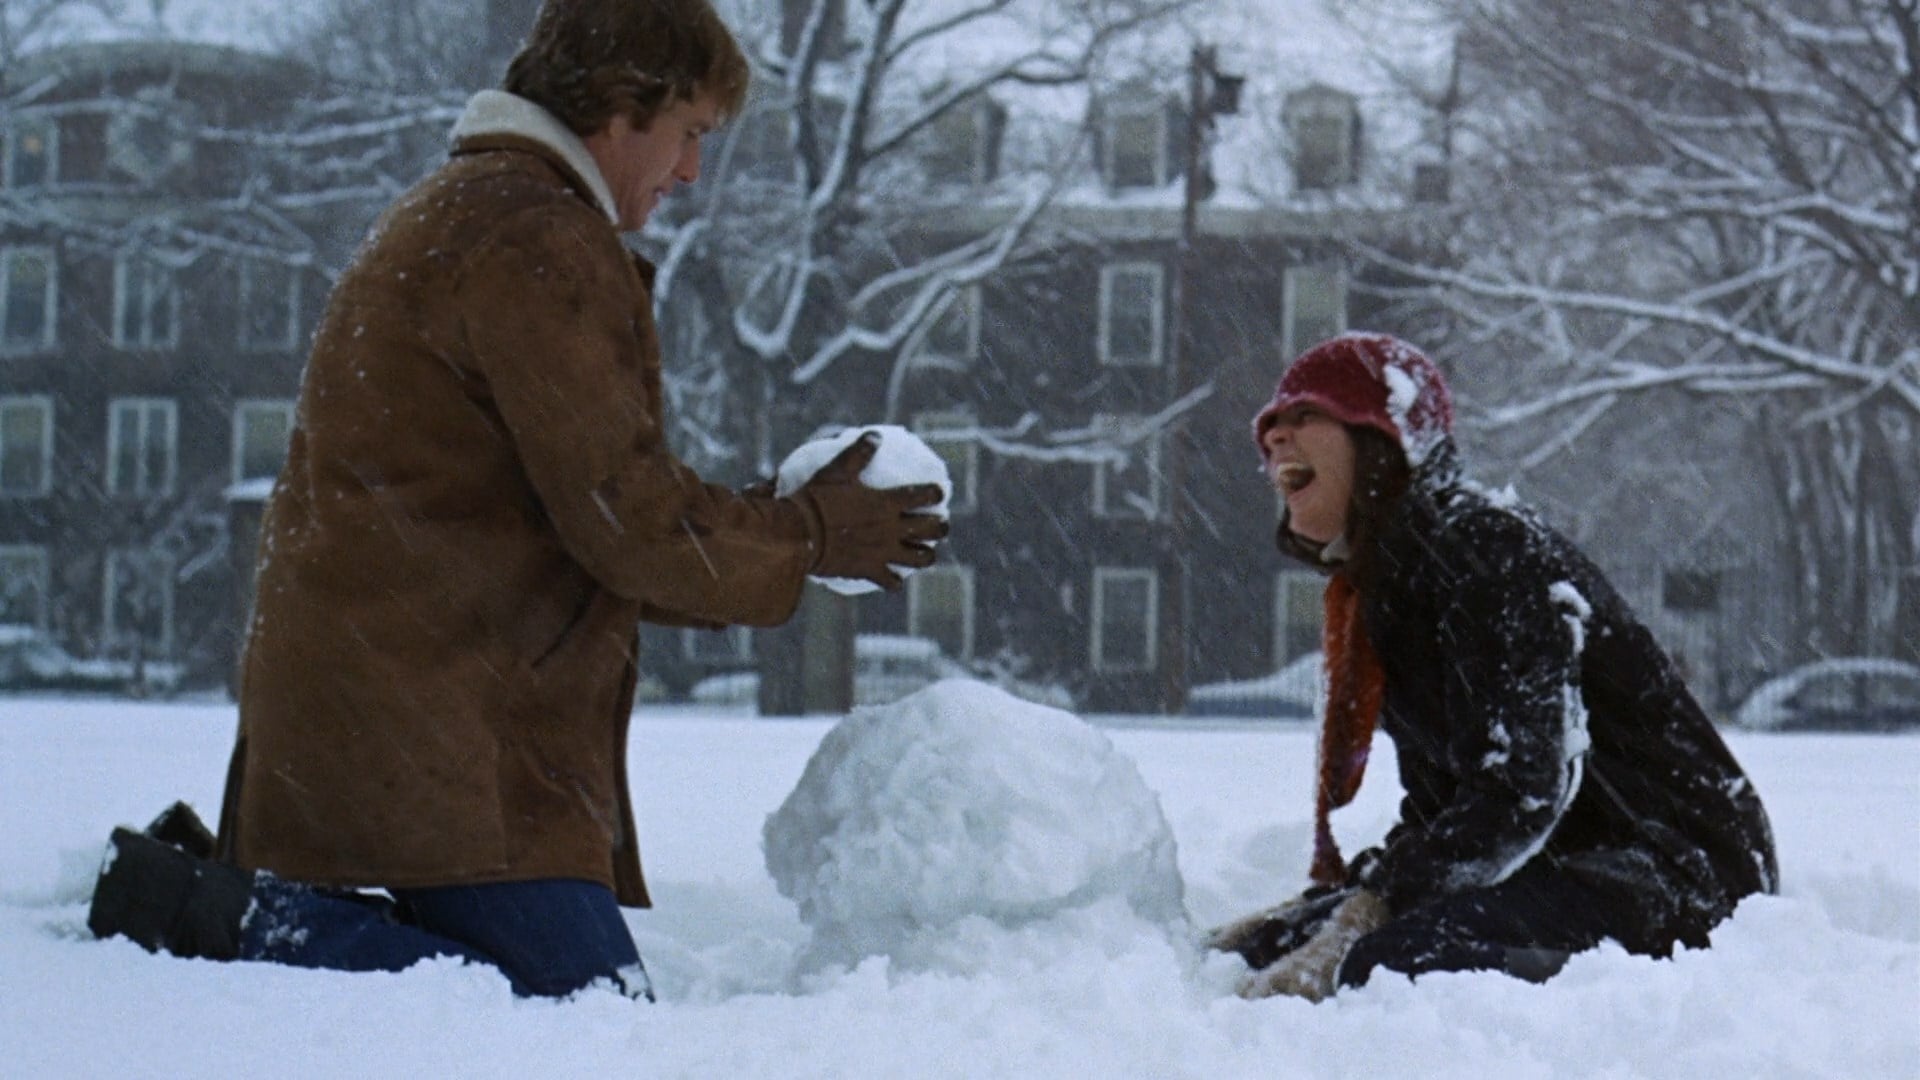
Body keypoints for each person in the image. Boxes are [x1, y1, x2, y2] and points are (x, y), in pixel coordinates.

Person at [85, 0, 946, 1000]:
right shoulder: (536, 236)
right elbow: (628, 521)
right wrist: (808, 534)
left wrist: (776, 535)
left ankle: (238, 913)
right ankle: (218, 921)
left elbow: (583, 519)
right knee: (577, 1016)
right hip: (448, 752)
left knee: (549, 1008)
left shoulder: (465, 208)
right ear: (621, 104)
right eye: (690, 133)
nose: (690, 172)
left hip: (381, 722)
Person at [1208, 332, 1777, 1001]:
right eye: (1272, 425)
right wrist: (1338, 904)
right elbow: (1445, 811)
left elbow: (1524, 786)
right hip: (1566, 860)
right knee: (1261, 949)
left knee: (1387, 966)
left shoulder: (1486, 549)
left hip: (1680, 873)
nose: (1274, 435)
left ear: (1383, 438)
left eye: (1306, 415)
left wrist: (1366, 914)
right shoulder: (1393, 586)